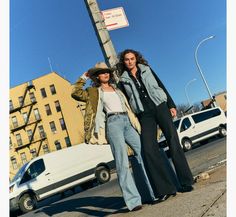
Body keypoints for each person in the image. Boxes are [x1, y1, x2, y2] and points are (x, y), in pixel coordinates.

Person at [71, 62, 156, 212]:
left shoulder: (117, 88)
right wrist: (84, 76)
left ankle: (151, 192)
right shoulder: (94, 92)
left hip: (127, 122)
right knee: (122, 162)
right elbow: (75, 92)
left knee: (143, 153)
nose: (106, 74)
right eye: (102, 72)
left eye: (107, 72)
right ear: (97, 76)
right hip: (112, 123)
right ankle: (133, 201)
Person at [117, 49, 194, 200]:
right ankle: (165, 189)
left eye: (132, 58)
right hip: (144, 115)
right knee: (148, 149)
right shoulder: (123, 81)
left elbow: (161, 85)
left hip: (160, 107)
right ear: (123, 62)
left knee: (173, 141)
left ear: (136, 59)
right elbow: (125, 101)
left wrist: (171, 104)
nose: (130, 61)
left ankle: (186, 182)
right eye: (127, 59)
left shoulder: (147, 70)